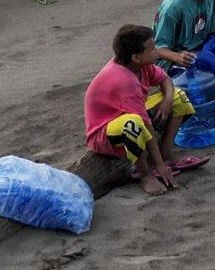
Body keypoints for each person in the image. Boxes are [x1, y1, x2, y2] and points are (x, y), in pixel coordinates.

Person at [84, 24, 201, 196]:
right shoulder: (123, 80)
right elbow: (145, 124)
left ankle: (166, 154)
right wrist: (158, 165)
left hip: (129, 114)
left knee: (178, 97)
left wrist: (167, 101)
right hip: (104, 132)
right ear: (136, 57)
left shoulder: (141, 65)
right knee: (135, 123)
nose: (156, 52)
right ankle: (145, 174)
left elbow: (165, 80)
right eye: (152, 49)